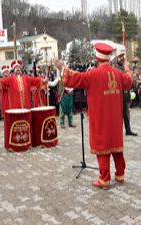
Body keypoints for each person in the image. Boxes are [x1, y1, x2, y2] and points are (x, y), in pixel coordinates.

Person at [54, 43, 133, 189]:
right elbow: (128, 81)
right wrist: (127, 68)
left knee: (102, 146)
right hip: (115, 118)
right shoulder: (117, 73)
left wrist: (62, 68)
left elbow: (75, 78)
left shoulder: (93, 74)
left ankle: (104, 179)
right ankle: (120, 174)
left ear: (97, 57)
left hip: (101, 117)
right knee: (116, 146)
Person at [115, 49, 137, 136]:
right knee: (118, 115)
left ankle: (128, 130)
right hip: (119, 95)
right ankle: (117, 132)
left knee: (127, 114)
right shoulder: (115, 68)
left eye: (122, 56)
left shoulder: (125, 66)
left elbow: (130, 79)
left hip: (126, 94)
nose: (122, 58)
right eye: (120, 56)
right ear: (117, 58)